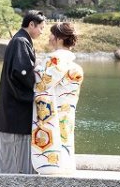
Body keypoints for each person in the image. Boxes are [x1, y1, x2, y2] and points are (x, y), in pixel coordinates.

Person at [0, 10, 46, 174]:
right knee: (15, 149)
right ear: (31, 24)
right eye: (41, 28)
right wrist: (39, 77)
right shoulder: (21, 41)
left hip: (11, 103)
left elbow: (23, 70)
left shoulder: (20, 40)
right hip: (16, 105)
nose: (41, 32)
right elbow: (21, 73)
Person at [31, 22, 84, 175]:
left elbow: (42, 84)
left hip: (54, 109)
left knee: (54, 134)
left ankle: (52, 166)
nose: (49, 37)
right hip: (67, 109)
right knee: (65, 135)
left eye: (52, 34)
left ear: (60, 38)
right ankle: (65, 165)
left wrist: (34, 70)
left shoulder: (55, 59)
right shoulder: (72, 63)